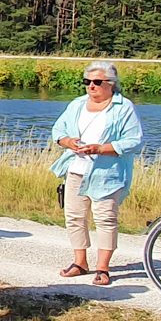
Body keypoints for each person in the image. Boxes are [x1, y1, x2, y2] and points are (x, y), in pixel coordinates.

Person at [51, 61, 145, 286]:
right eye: (87, 82)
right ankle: (79, 262)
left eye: (97, 82)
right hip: (75, 169)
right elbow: (58, 130)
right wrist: (68, 142)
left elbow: (134, 141)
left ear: (111, 84)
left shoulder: (123, 107)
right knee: (74, 217)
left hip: (107, 173)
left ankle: (103, 268)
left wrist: (100, 148)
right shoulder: (76, 104)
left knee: (105, 219)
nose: (91, 87)